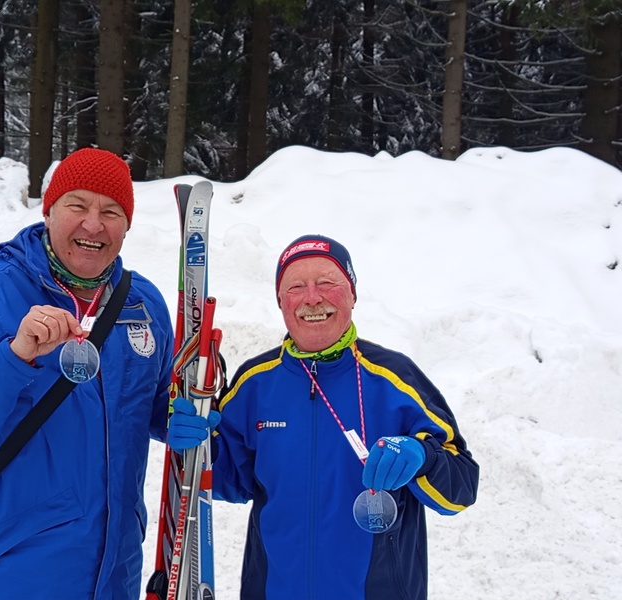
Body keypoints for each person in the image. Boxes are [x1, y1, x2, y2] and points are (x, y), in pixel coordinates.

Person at [0, 148, 174, 599]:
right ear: (48, 212)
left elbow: (150, 403)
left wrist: (183, 411)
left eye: (111, 212)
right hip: (13, 574)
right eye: (77, 205)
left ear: (127, 226)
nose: (93, 225)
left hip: (115, 571)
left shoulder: (142, 305)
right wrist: (13, 358)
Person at [169, 234, 479, 600]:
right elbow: (232, 480)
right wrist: (198, 448)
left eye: (327, 283)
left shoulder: (396, 381)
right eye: (296, 287)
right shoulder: (255, 383)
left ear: (352, 295)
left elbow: (461, 489)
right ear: (281, 301)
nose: (312, 298)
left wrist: (424, 458)